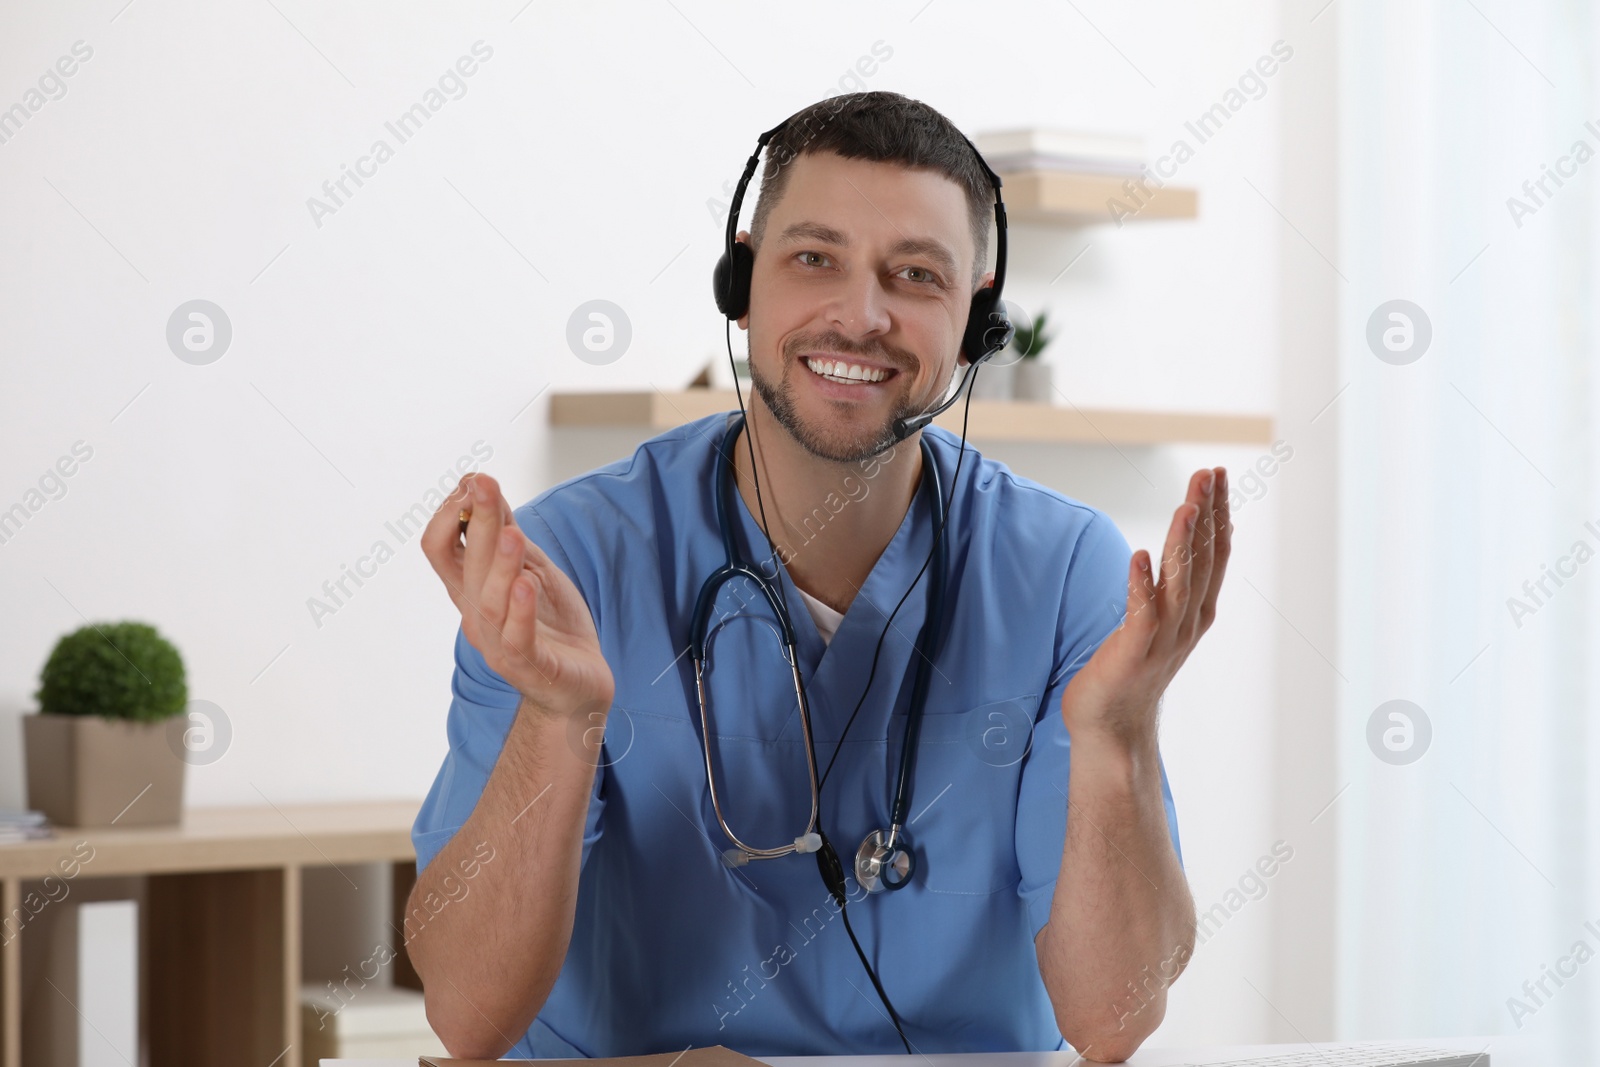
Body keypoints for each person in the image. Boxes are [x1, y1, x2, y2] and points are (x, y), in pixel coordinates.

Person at [405, 91, 1231, 1062]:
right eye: (813, 258)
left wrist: (1113, 736)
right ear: (742, 283)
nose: (861, 313)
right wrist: (559, 719)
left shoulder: (1064, 572)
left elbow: (1113, 1021)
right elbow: (465, 1015)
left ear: (976, 318)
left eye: (916, 275)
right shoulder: (569, 561)